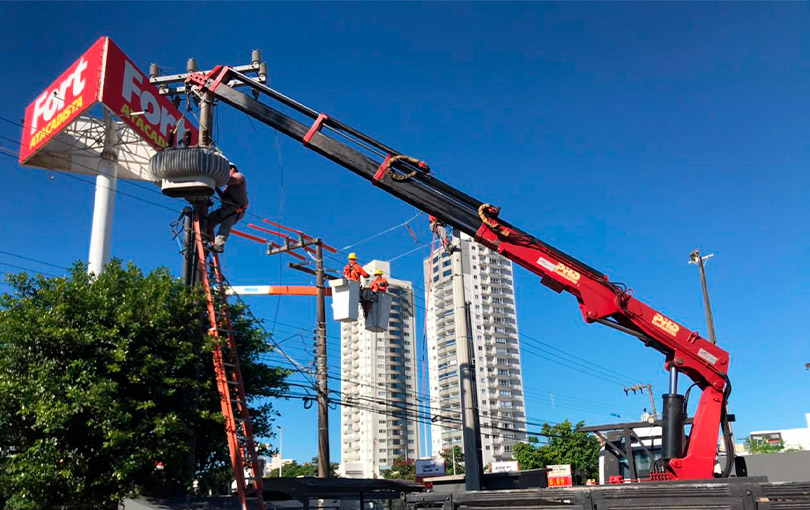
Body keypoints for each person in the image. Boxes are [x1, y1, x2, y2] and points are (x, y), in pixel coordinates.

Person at [208, 162, 249, 253]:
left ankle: (219, 245)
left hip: (236, 210)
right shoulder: (228, 187)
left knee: (225, 224)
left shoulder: (239, 176)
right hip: (226, 208)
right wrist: (214, 186)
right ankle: (207, 237)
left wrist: (214, 178)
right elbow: (223, 197)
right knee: (209, 219)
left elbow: (230, 181)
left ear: (233, 169)